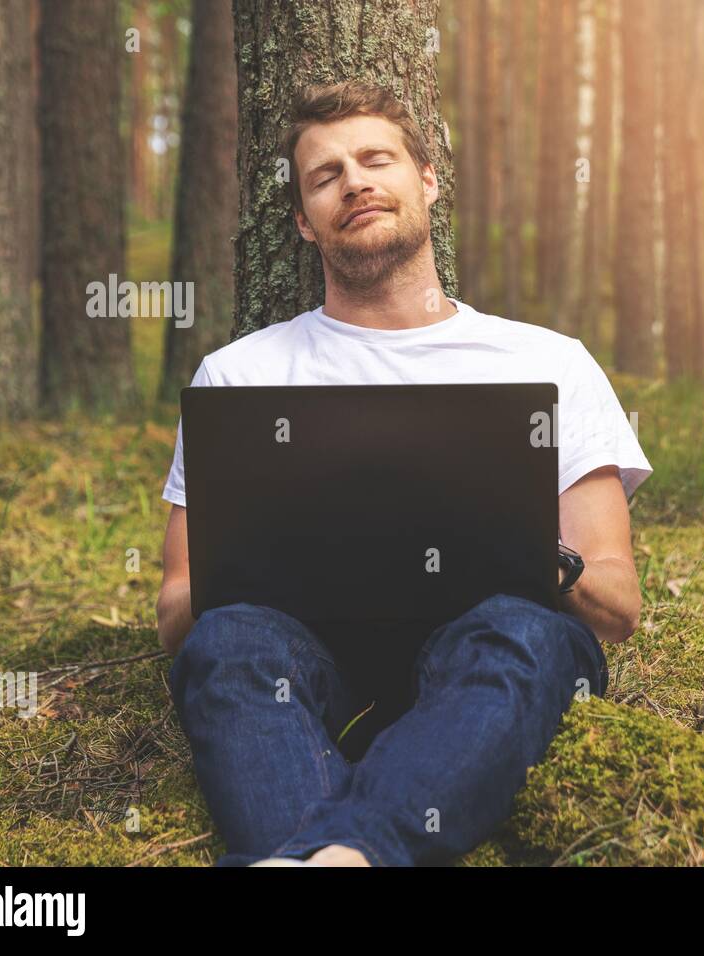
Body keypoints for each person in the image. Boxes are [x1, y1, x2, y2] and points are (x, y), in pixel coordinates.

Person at [156, 80, 653, 866]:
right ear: (303, 221)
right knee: (229, 640)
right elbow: (177, 613)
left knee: (525, 630)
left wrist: (522, 547)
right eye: (325, 176)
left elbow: (617, 606)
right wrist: (261, 561)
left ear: (427, 180)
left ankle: (342, 853)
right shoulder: (238, 376)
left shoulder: (549, 362)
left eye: (375, 160)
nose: (353, 181)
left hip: (483, 657)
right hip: (306, 660)